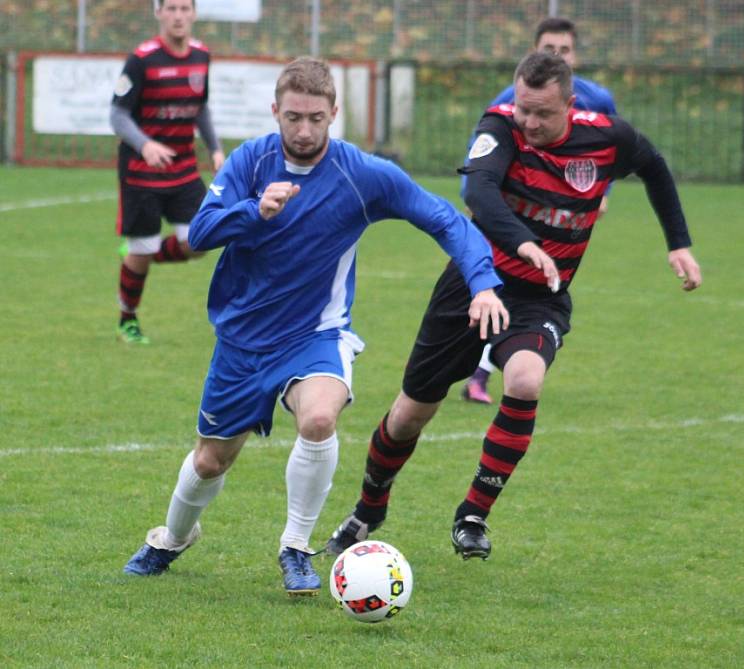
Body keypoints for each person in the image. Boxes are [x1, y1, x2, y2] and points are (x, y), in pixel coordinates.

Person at [122, 57, 508, 595]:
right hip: (241, 341)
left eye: (317, 119)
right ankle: (172, 538)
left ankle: (295, 548)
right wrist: (256, 210)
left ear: (334, 114)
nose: (305, 130)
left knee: (320, 418)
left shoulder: (362, 174)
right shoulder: (249, 162)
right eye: (294, 117)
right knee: (211, 460)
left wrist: (483, 283)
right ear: (275, 111)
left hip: (315, 335)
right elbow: (203, 231)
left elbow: (444, 218)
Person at [325, 51, 701, 561]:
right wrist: (523, 243)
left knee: (525, 379)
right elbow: (479, 192)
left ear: (570, 103)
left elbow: (654, 167)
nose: (529, 121)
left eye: (542, 113)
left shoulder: (607, 138)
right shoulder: (501, 127)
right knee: (410, 413)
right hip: (473, 283)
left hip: (537, 299)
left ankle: (473, 515)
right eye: (523, 107)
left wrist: (677, 242)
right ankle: (368, 508)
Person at [462, 16, 617, 403]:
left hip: (560, 220)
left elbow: (611, 150)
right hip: (509, 214)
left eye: (564, 50)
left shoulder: (598, 99)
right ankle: (476, 371)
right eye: (549, 49)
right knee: (499, 289)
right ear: (534, 53)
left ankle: (483, 371)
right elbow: (480, 164)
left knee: (533, 292)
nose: (558, 56)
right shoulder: (506, 100)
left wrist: (602, 193)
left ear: (575, 54)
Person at [111, 0, 225, 344]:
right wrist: (145, 144)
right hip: (141, 173)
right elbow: (117, 115)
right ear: (158, 12)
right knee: (140, 249)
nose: (178, 16)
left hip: (183, 170)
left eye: (184, 9)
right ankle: (127, 319)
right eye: (171, 8)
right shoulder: (142, 59)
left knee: (202, 240)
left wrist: (215, 148)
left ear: (193, 14)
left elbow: (200, 107)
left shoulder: (201, 56)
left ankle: (145, 254)